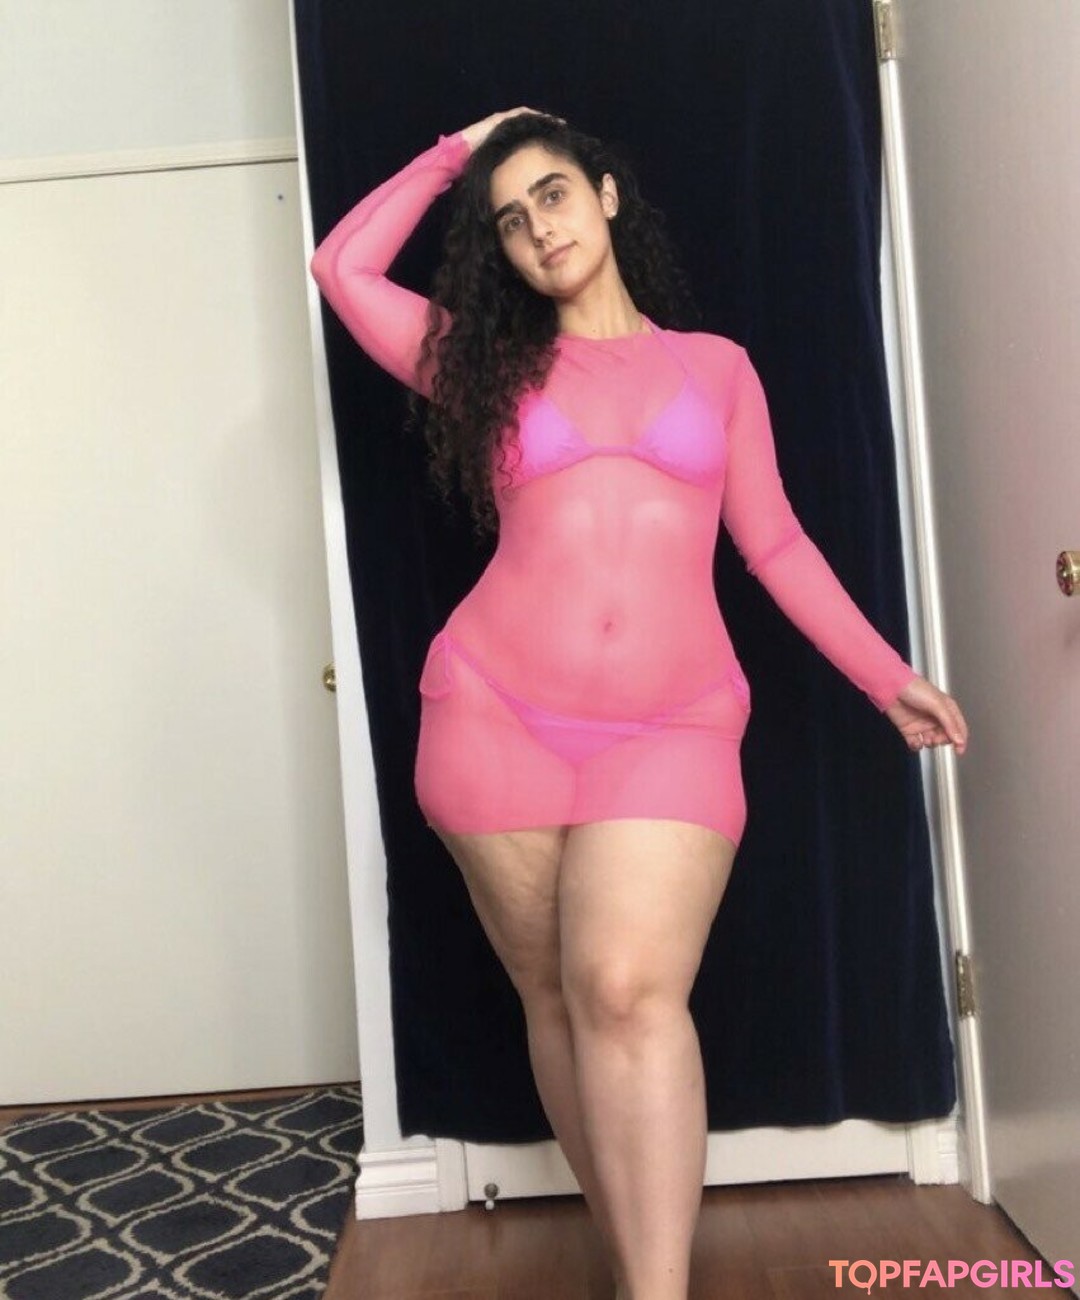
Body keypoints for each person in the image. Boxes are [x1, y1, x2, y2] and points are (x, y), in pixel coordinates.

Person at [310, 106, 969, 1300]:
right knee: (557, 1000)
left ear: (606, 195)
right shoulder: (486, 367)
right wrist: (456, 154)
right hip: (493, 715)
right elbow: (342, 267)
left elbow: (775, 545)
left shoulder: (715, 368)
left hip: (673, 725)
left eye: (554, 195)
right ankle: (638, 1268)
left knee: (623, 987)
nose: (538, 229)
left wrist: (890, 676)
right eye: (511, 220)